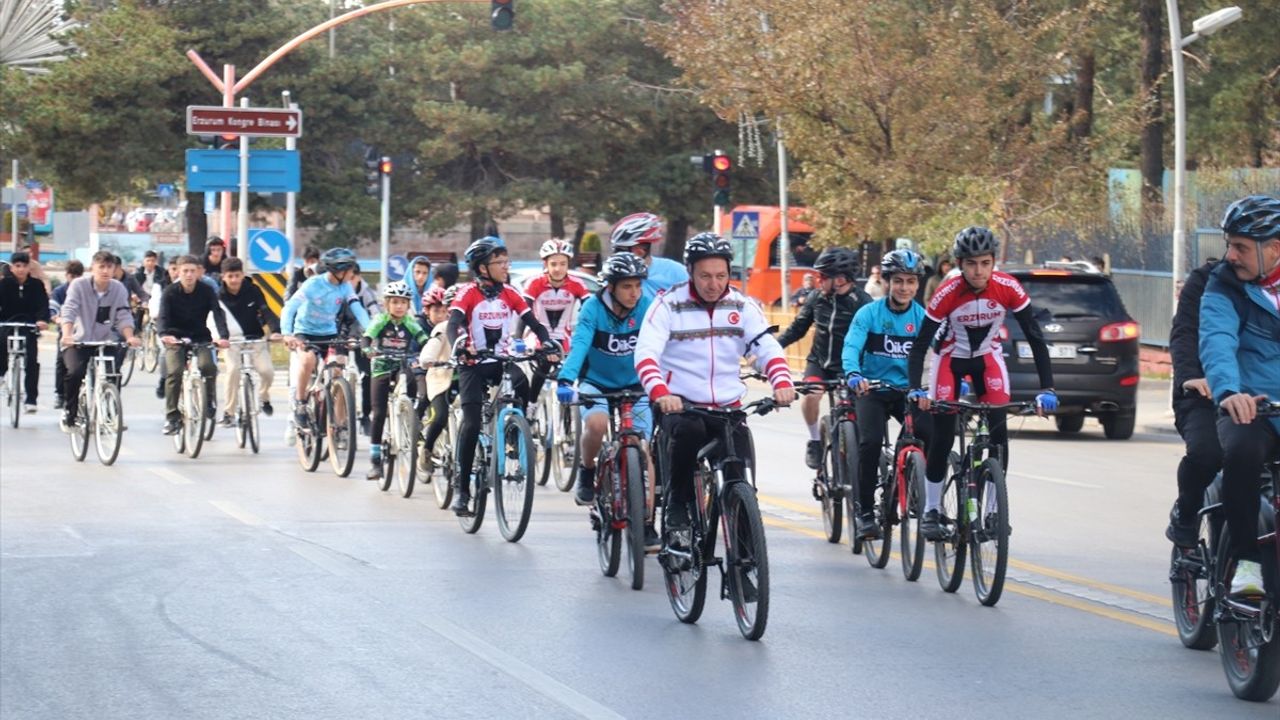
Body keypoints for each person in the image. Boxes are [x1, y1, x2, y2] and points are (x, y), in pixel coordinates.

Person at [634, 233, 796, 537]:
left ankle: (746, 560)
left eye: (721, 275)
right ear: (690, 272)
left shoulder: (743, 305)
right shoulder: (668, 305)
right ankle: (677, 505)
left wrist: (781, 381)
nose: (713, 283)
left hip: (727, 408)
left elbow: (764, 347)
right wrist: (661, 393)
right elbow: (646, 355)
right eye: (705, 276)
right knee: (688, 431)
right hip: (682, 406)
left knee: (742, 479)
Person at [907, 226, 1057, 540]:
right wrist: (915, 388)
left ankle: (992, 511)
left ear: (993, 263)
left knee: (999, 436)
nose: (979, 271)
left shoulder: (1008, 287)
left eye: (985, 263)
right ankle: (932, 509)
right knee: (943, 435)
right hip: (951, 359)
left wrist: (1048, 388)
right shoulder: (947, 292)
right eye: (972, 264)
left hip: (988, 357)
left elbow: (1035, 336)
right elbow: (921, 344)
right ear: (960, 264)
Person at [1198, 194, 1280, 600]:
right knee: (1243, 453)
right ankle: (1247, 561)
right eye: (1230, 244)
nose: (1230, 255)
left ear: (1274, 249)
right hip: (1250, 407)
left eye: (1241, 247)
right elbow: (1217, 339)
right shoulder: (1224, 285)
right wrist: (1230, 392)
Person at [445, 236, 558, 515]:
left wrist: (547, 342)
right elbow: (454, 324)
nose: (506, 266)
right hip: (473, 363)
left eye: (507, 261)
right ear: (483, 268)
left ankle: (513, 435)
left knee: (521, 383)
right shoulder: (467, 293)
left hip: (502, 361)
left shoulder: (510, 293)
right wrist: (461, 343)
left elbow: (534, 322)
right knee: (471, 423)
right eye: (500, 262)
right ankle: (462, 489)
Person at [555, 254, 654, 523]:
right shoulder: (592, 308)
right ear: (610, 286)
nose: (634, 293)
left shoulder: (647, 305)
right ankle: (587, 471)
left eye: (637, 285)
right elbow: (580, 345)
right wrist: (565, 380)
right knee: (597, 425)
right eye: (627, 287)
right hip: (596, 382)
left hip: (636, 384)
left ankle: (646, 522)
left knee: (642, 446)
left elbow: (661, 344)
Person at [843, 249, 934, 538]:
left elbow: (938, 356)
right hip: (872, 389)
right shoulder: (868, 313)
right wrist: (854, 374)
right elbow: (852, 347)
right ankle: (866, 513)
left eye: (910, 281)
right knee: (869, 442)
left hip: (909, 391)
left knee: (932, 434)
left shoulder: (923, 319)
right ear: (886, 282)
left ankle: (914, 482)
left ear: (918, 285)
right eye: (898, 281)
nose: (904, 288)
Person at [777, 247, 873, 469]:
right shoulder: (816, 298)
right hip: (819, 363)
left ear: (840, 279)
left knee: (860, 410)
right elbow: (797, 329)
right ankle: (815, 440)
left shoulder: (863, 302)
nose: (818, 280)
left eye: (823, 276)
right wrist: (773, 347)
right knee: (811, 395)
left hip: (849, 367)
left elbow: (873, 339)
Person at [1164, 257, 1225, 548]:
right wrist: (1189, 376)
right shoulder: (1207, 280)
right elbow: (1185, 332)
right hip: (1202, 393)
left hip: (1260, 396)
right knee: (1207, 453)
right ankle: (1185, 514)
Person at [280, 248, 371, 428]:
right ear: (340, 271)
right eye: (351, 270)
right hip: (305, 332)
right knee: (308, 361)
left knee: (339, 366)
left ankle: (334, 414)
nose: (353, 274)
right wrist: (287, 333)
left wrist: (370, 333)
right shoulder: (312, 284)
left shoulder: (345, 287)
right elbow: (290, 308)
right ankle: (300, 402)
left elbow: (358, 309)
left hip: (329, 333)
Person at [56, 252, 140, 431]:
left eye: (109, 267)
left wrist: (130, 336)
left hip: (105, 341)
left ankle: (110, 414)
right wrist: (67, 334)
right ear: (92, 268)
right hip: (78, 341)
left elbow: (123, 315)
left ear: (115, 269)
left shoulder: (118, 288)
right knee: (76, 372)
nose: (105, 271)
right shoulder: (79, 285)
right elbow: (69, 309)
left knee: (113, 373)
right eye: (101, 266)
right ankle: (69, 413)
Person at [361, 281, 429, 481]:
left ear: (408, 305)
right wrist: (367, 350)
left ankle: (411, 418)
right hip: (381, 366)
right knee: (380, 412)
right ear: (387, 304)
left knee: (414, 382)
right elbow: (367, 338)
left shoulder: (410, 323)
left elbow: (424, 339)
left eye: (403, 303)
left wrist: (429, 352)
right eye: (395, 302)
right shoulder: (380, 320)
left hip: (402, 365)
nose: (399, 306)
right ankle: (375, 462)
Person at [157, 255, 230, 435]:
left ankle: (210, 400)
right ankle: (172, 417)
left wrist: (223, 336)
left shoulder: (206, 290)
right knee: (174, 372)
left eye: (192, 271)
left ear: (198, 272)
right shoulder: (170, 292)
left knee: (209, 367)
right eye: (185, 271)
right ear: (178, 272)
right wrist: (164, 334)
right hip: (175, 337)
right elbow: (162, 317)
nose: (189, 275)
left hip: (200, 336)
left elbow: (217, 313)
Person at [523, 239, 589, 405]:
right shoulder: (535, 283)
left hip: (563, 337)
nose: (558, 269)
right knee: (544, 365)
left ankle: (574, 414)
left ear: (568, 264)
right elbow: (524, 312)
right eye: (553, 264)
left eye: (563, 264)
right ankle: (531, 404)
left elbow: (590, 311)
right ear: (545, 264)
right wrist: (518, 338)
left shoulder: (577, 284)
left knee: (578, 367)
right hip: (538, 337)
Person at [215, 257, 278, 427]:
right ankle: (229, 413)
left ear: (243, 275)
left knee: (267, 371)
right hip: (231, 341)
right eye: (230, 276)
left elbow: (266, 311)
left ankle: (264, 396)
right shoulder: (218, 296)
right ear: (223, 277)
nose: (234, 280)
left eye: (237, 275)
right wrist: (222, 339)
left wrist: (276, 331)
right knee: (233, 371)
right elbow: (218, 319)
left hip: (255, 338)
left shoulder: (253, 290)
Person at [0, 251, 51, 413]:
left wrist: (42, 320)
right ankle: (1, 372)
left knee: (31, 360)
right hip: (7, 322)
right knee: (1, 344)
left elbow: (43, 305)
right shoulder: (4, 284)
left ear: (30, 267)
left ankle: (31, 399)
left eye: (24, 266)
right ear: (12, 267)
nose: (21, 269)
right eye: (17, 266)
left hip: (29, 325)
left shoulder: (36, 285)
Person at [416, 286, 456, 477]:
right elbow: (432, 347)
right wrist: (428, 359)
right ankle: (427, 449)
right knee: (440, 416)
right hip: (442, 378)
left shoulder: (475, 326)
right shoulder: (443, 328)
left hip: (467, 379)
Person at [609, 212, 688, 299]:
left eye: (621, 251)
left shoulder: (675, 272)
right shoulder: (612, 274)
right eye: (616, 250)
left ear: (640, 251)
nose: (617, 256)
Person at [343, 269, 381, 435]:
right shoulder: (340, 291)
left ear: (358, 277)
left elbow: (376, 315)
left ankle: (365, 416)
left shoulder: (367, 293)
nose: (350, 281)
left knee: (368, 376)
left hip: (363, 338)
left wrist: (372, 335)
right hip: (342, 337)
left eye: (353, 277)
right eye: (347, 278)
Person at [51, 260, 86, 410]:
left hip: (84, 332)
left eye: (77, 276)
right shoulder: (59, 291)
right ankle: (59, 394)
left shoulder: (85, 290)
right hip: (66, 331)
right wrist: (59, 320)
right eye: (71, 276)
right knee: (61, 362)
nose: (74, 279)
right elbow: (52, 311)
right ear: (66, 276)